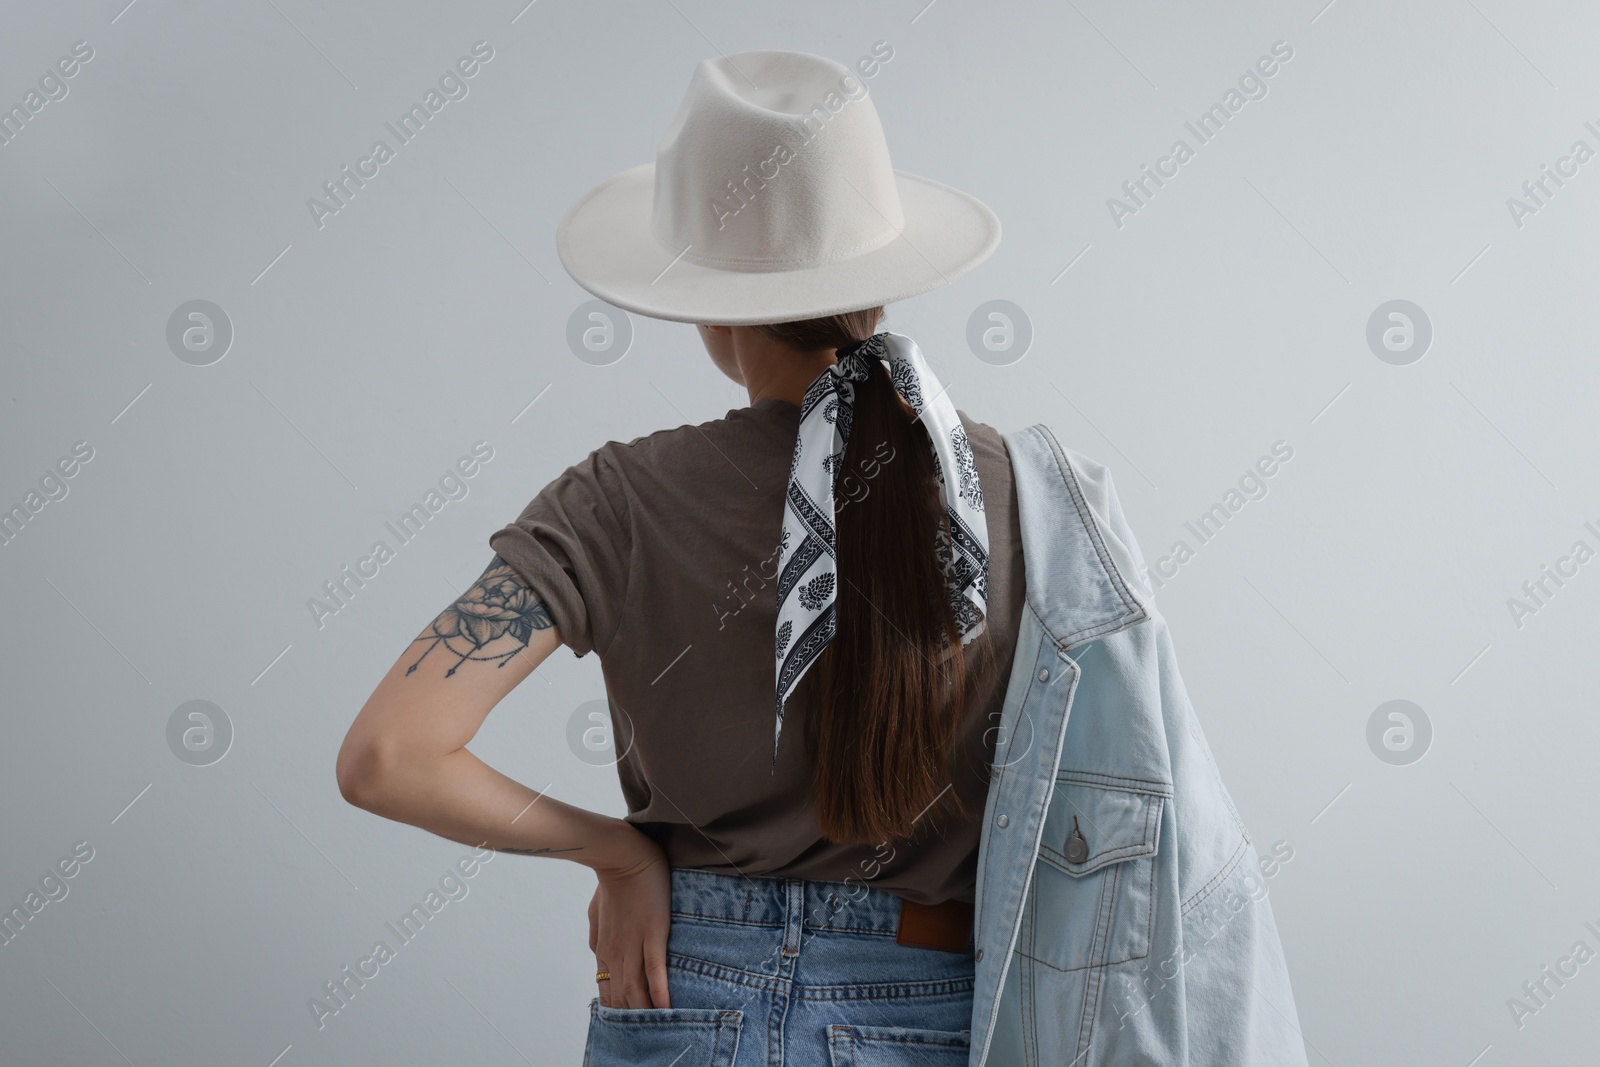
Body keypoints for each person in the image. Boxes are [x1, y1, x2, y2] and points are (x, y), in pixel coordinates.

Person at [337, 48, 1307, 1067]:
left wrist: (618, 855)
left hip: (677, 992)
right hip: (925, 1003)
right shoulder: (1031, 499)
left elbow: (387, 756)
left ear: (708, 305)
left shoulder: (614, 501)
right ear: (880, 287)